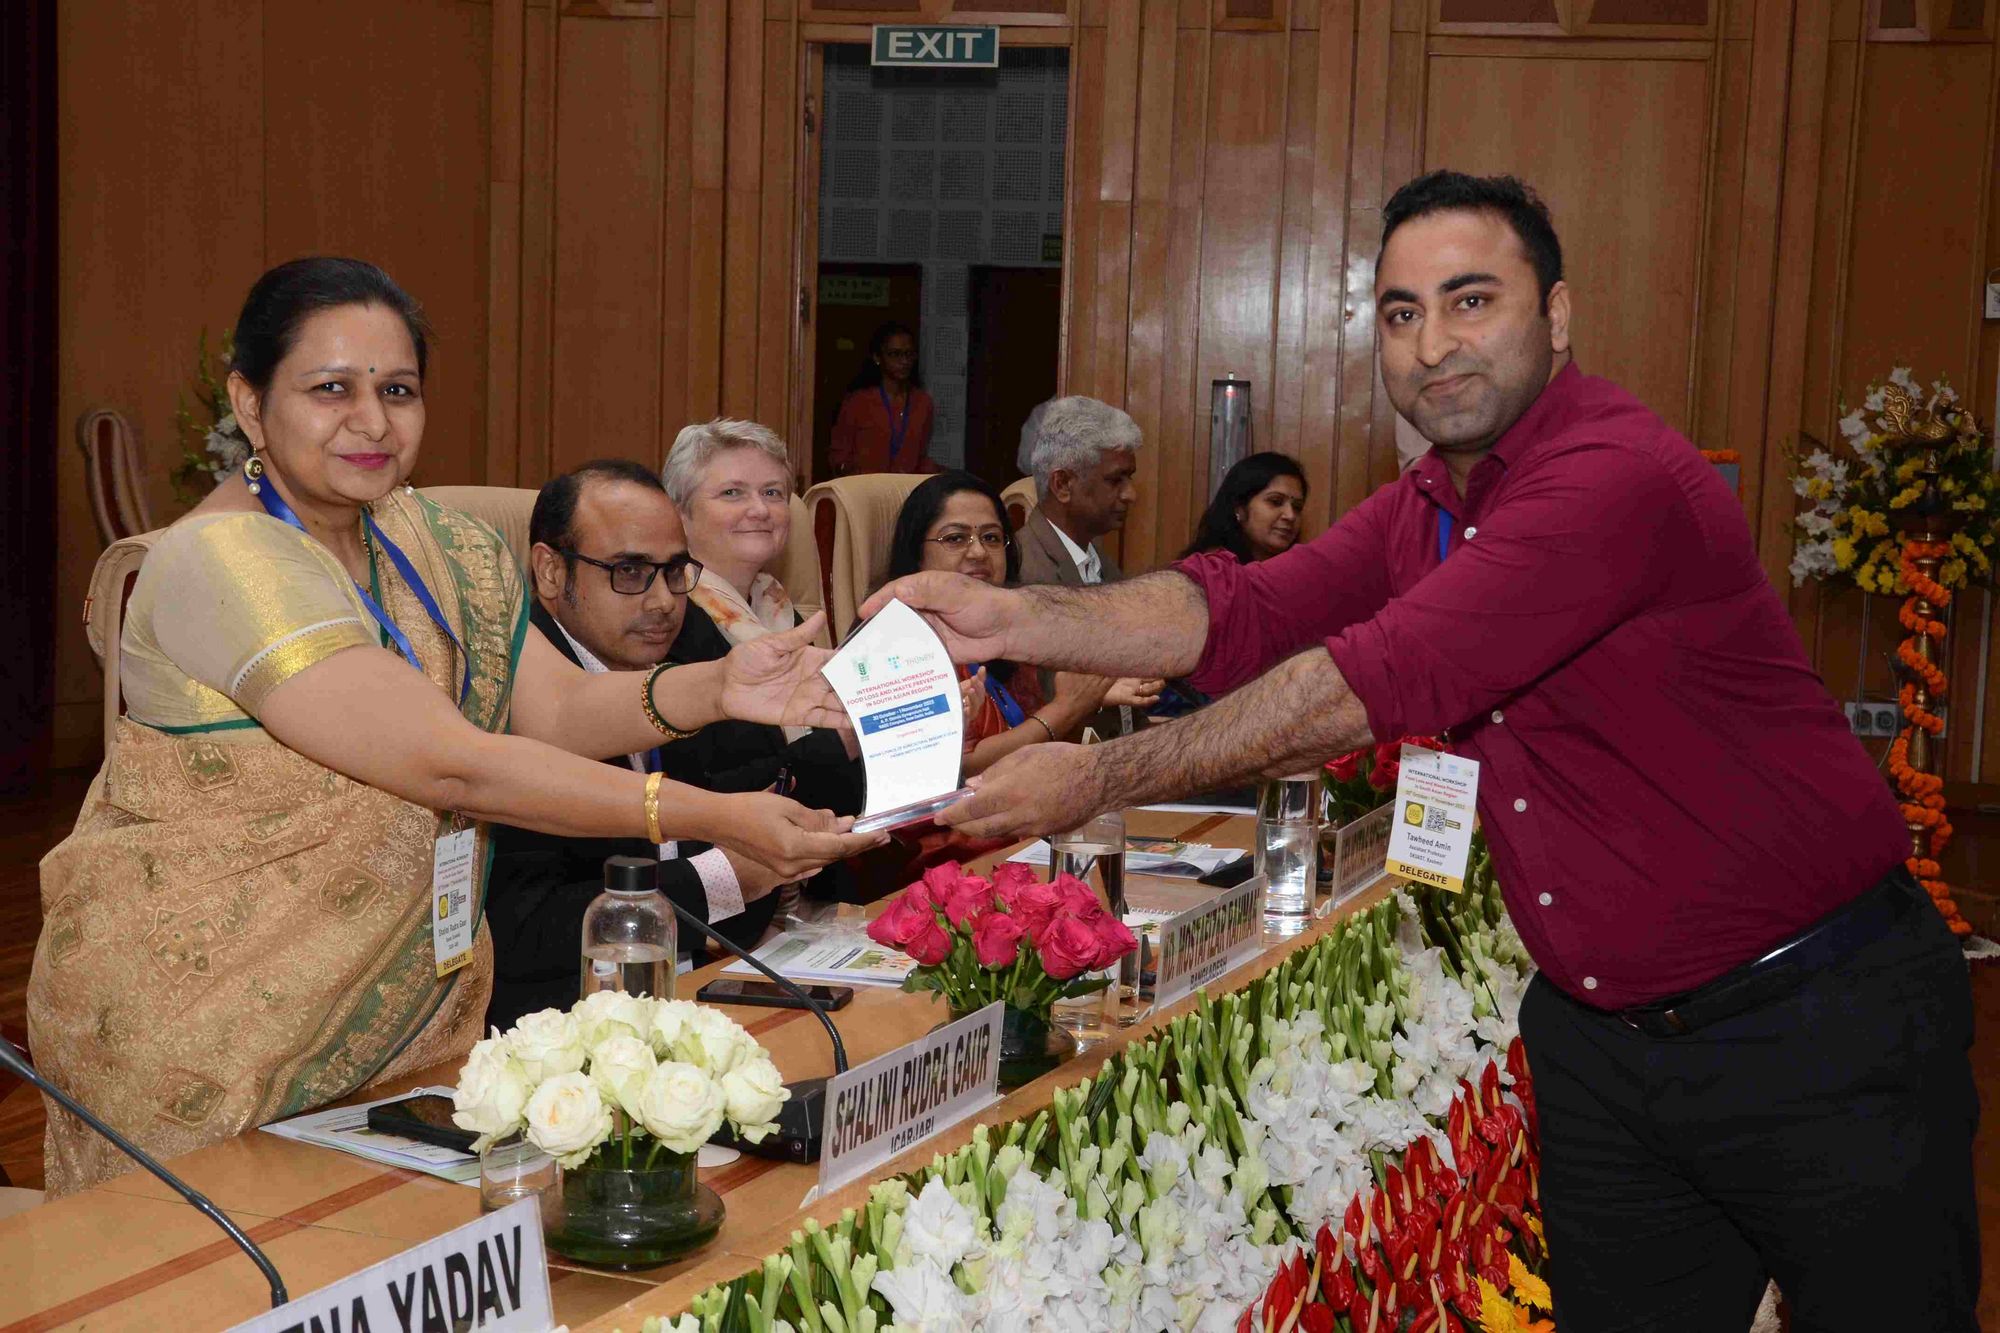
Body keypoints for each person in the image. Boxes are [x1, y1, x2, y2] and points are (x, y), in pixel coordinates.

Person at [866, 171, 1977, 1332]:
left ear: (1555, 318)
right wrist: (1014, 619)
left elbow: (1362, 686)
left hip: (1808, 1019)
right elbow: (1242, 610)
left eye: (1468, 302)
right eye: (1401, 314)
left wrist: (1092, 779)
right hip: (1604, 1039)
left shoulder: (1607, 478)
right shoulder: (1429, 504)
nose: (1432, 344)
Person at [27, 259, 877, 1196]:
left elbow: (547, 710)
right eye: (330, 389)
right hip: (206, 1024)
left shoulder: (430, 539)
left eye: (398, 389)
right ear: (251, 401)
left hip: (402, 1013)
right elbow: (456, 769)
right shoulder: (221, 563)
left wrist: (718, 684)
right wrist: (717, 816)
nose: (372, 420)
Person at [485, 460, 796, 1031]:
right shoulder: (500, 693)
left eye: (674, 570)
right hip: (553, 1037)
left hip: (694, 997)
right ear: (551, 572)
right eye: (629, 571)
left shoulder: (690, 647)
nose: (662, 601)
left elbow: (762, 790)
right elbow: (519, 932)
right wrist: (725, 880)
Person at [660, 419, 868, 903]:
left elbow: (828, 783)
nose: (760, 509)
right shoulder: (664, 616)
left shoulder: (775, 607)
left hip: (810, 883)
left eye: (774, 493)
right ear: (680, 514)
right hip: (711, 898)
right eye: (733, 492)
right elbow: (710, 785)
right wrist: (847, 740)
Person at [1015, 396, 1162, 731]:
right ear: (1063, 484)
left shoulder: (1102, 564)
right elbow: (1039, 703)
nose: (1131, 494)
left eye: (1130, 478)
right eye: (1116, 479)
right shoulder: (1024, 572)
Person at [829, 321, 935, 475]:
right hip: (863, 491)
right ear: (877, 357)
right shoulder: (858, 402)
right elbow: (838, 457)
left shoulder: (923, 402)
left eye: (909, 354)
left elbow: (921, 457)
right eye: (895, 354)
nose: (904, 361)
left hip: (905, 493)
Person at [1181, 451, 1308, 562]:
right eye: (1275, 501)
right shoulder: (1211, 571)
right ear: (1239, 508)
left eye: (1297, 507)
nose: (1290, 516)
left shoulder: (1297, 572)